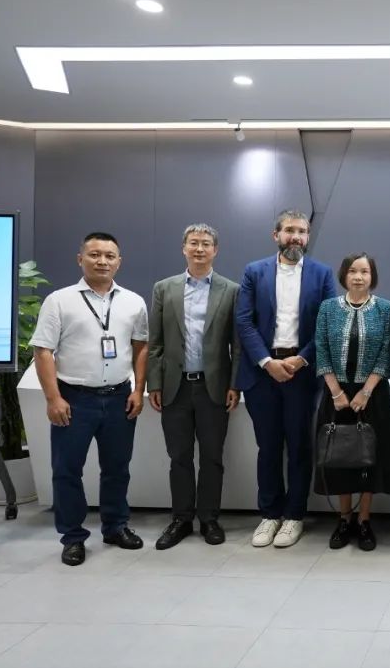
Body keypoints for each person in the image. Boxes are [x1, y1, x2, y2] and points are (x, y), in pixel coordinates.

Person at [30, 232, 149, 566]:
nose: (102, 261)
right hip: (74, 398)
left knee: (117, 468)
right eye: (95, 254)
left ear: (119, 262)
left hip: (119, 398)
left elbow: (141, 347)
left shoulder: (133, 302)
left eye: (110, 256)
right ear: (80, 258)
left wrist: (138, 389)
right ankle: (72, 537)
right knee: (67, 470)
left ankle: (115, 526)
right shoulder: (59, 301)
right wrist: (53, 398)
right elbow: (43, 351)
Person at [236, 210, 337, 548]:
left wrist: (301, 358)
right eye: (290, 230)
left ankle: (294, 516)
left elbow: (327, 322)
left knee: (299, 447)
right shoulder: (254, 272)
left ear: (307, 237)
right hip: (262, 373)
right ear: (275, 235)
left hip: (301, 372)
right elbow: (244, 322)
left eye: (302, 231)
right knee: (267, 447)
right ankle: (270, 514)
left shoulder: (322, 273)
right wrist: (267, 362)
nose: (296, 236)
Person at [147, 223, 240, 550]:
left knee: (213, 456)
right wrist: (154, 383)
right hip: (175, 387)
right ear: (183, 248)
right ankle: (181, 519)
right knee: (179, 457)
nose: (199, 249)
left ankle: (209, 519)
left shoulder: (231, 290)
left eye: (206, 244)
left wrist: (235, 384)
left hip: (214, 387)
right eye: (193, 243)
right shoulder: (164, 289)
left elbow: (237, 345)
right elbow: (155, 342)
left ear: (216, 250)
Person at [315, 253, 390, 551]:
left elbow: (385, 354)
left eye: (364, 271)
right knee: (340, 457)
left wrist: (366, 391)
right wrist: (336, 392)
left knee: (370, 460)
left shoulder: (385, 309)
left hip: (373, 395)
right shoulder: (328, 308)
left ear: (372, 276)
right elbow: (321, 350)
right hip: (336, 396)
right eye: (353, 271)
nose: (358, 277)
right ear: (344, 275)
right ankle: (344, 519)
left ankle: (364, 520)